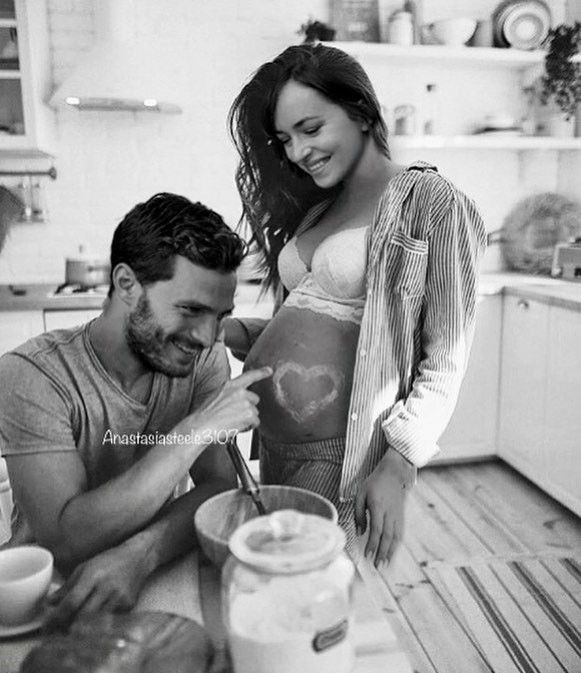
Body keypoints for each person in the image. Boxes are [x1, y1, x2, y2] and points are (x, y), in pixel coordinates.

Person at [224, 44, 487, 567]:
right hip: (274, 443)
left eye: (311, 128)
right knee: (285, 582)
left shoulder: (431, 202)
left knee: (313, 582)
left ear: (362, 112)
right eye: (285, 140)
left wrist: (399, 463)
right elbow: (314, 322)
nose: (297, 151)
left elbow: (446, 355)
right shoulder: (318, 208)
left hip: (338, 450)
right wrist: (228, 332)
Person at [0, 192, 271, 623]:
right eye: (190, 309)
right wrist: (195, 430)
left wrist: (140, 554)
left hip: (160, 566)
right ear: (126, 284)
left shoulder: (202, 359)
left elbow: (216, 487)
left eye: (219, 316)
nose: (207, 336)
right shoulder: (32, 374)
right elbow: (66, 540)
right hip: (47, 598)